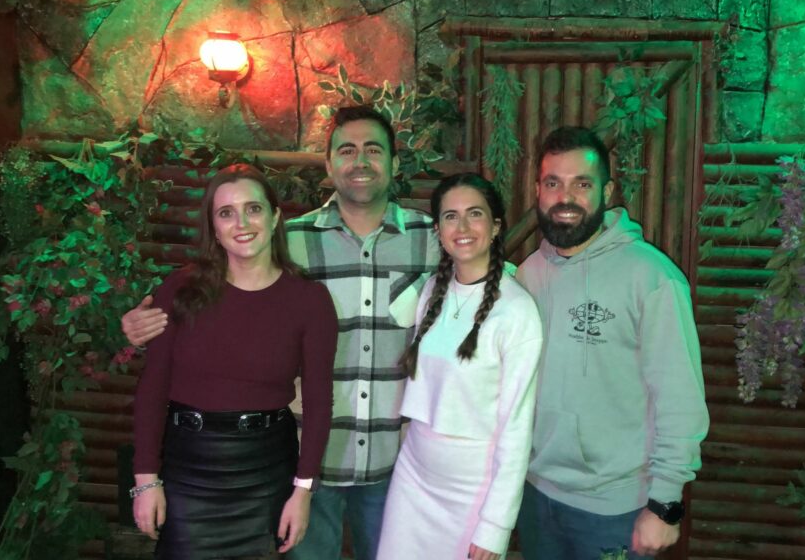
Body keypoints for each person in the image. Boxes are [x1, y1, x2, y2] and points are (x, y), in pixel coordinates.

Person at [123, 106, 440, 560]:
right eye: (346, 150)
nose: (360, 161)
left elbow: (484, 291)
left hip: (392, 460)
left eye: (373, 150)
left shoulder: (434, 240)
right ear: (328, 164)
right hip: (295, 460)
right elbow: (180, 348)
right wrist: (137, 324)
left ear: (394, 161)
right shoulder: (288, 240)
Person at [515, 127, 710, 560]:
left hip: (618, 507)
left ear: (606, 191)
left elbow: (679, 398)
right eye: (553, 183)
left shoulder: (652, 277)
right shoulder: (528, 274)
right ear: (538, 190)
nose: (565, 197)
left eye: (581, 184)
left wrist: (665, 502)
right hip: (535, 495)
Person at [131, 164, 338, 559]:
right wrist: (145, 480)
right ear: (214, 226)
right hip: (188, 470)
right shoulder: (179, 289)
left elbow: (318, 402)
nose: (242, 223)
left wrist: (303, 490)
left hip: (266, 474)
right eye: (226, 213)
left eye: (253, 209)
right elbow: (153, 386)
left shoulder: (310, 301)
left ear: (275, 217)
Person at [376, 173, 542, 560]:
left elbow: (516, 429)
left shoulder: (517, 312)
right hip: (414, 476)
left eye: (474, 214)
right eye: (451, 216)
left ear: (495, 226)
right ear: (438, 230)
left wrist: (496, 526)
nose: (463, 227)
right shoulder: (431, 290)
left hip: (472, 491)